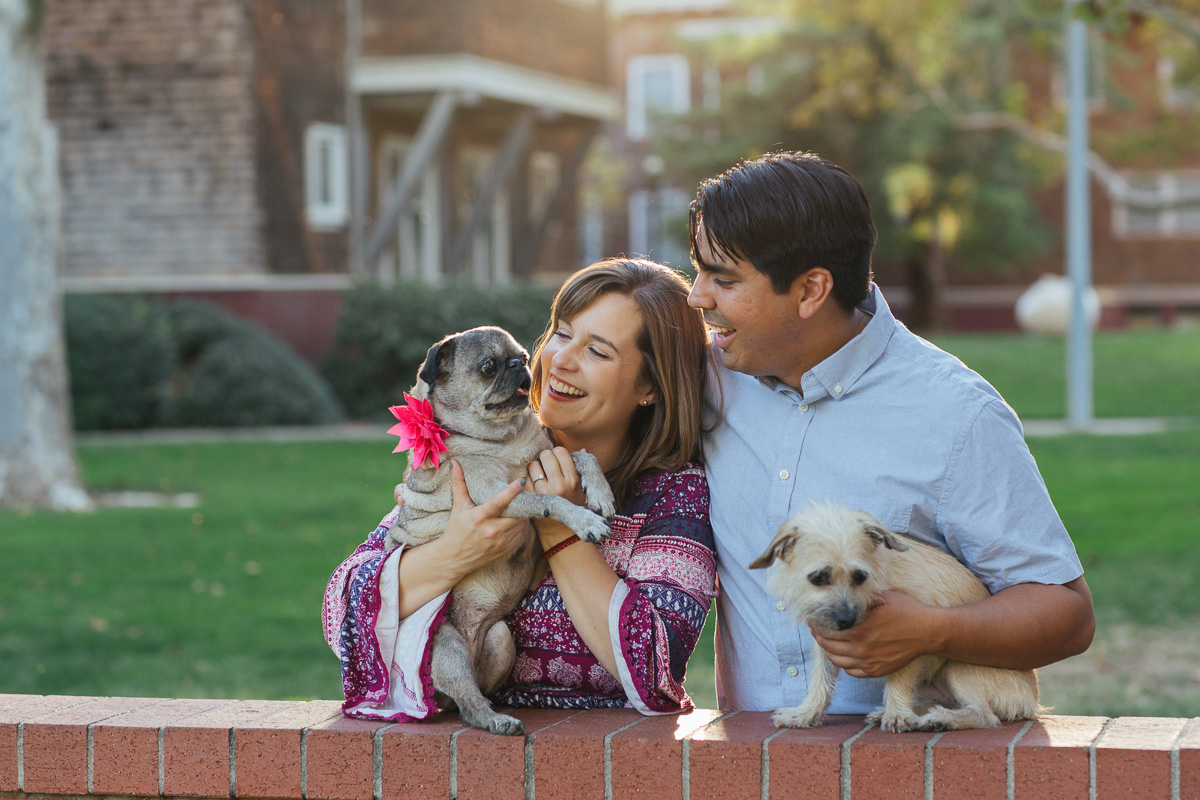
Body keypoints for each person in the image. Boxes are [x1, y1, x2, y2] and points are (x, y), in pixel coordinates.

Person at [686, 151, 1095, 714]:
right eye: (698, 270)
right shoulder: (708, 378)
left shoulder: (958, 414)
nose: (697, 296)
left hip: (912, 764)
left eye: (722, 279)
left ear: (810, 290)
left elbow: (1067, 616)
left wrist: (932, 631)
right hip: (750, 763)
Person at [322, 258, 718, 718]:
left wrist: (557, 529)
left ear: (651, 386)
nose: (561, 360)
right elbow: (341, 616)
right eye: (563, 334)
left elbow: (655, 673)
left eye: (598, 352)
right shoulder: (484, 450)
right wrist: (456, 551)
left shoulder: (675, 495)